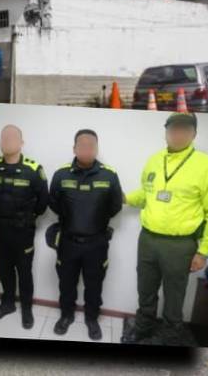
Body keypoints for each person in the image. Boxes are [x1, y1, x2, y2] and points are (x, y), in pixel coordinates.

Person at [120, 112, 208, 345]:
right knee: (145, 288)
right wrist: (124, 197)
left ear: (194, 133)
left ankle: (171, 334)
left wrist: (203, 251)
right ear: (166, 132)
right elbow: (146, 195)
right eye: (173, 129)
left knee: (175, 294)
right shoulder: (154, 160)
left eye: (184, 129)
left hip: (180, 245)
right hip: (147, 240)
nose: (177, 134)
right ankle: (143, 326)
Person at [49, 129, 123, 340]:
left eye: (91, 145)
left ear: (97, 149)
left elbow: (115, 206)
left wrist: (95, 222)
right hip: (68, 242)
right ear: (74, 148)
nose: (86, 149)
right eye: (82, 145)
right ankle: (66, 316)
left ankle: (92, 319)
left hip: (96, 243)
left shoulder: (109, 175)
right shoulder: (61, 174)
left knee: (94, 285)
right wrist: (71, 219)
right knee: (66, 283)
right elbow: (53, 202)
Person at [0, 125, 48, 329]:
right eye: (4, 137)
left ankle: (27, 308)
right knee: (3, 270)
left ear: (21, 143)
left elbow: (43, 202)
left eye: (12, 137)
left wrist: (28, 218)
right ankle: (8, 303)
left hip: (22, 232)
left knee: (24, 272)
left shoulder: (33, 169)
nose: (7, 141)